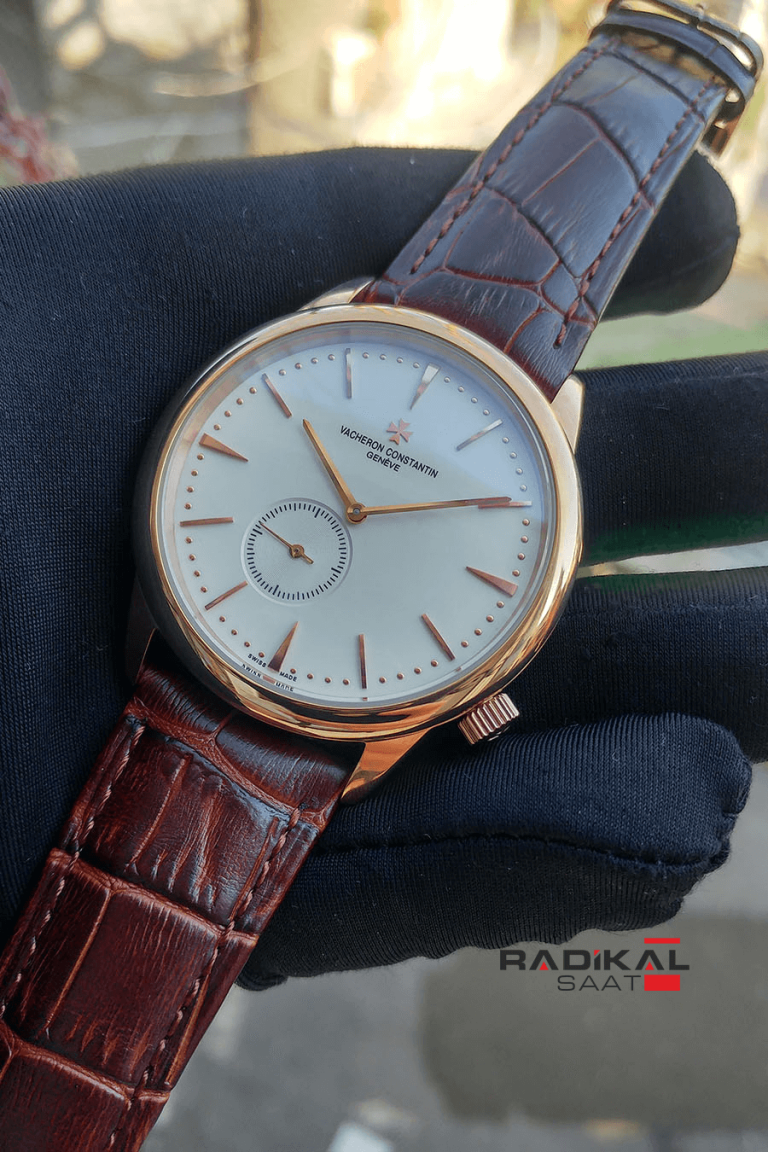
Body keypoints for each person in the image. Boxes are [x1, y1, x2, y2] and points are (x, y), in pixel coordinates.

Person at [0, 146, 765, 991]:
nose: (355, 510)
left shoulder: (510, 462)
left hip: (312, 712)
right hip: (179, 623)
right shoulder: (338, 334)